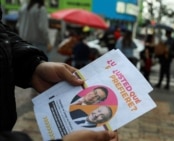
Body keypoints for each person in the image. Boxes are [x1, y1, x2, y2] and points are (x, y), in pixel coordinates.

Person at [0, 7, 118, 141]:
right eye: (95, 93)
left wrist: (34, 67)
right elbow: (41, 29)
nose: (93, 97)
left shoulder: (25, 9)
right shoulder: (40, 11)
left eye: (98, 98)